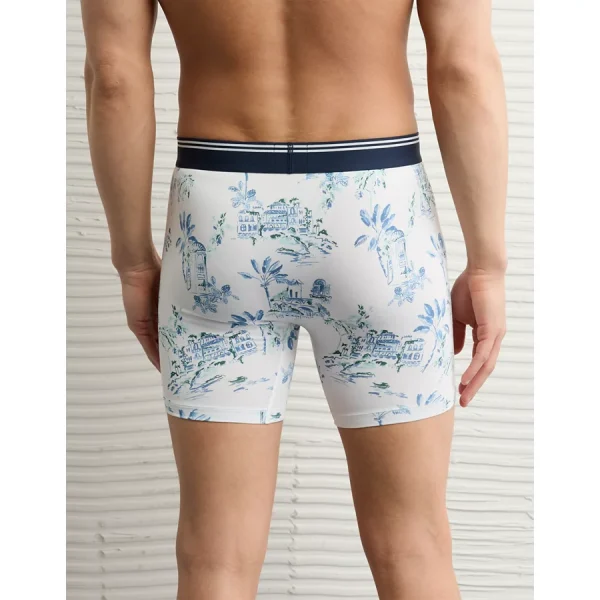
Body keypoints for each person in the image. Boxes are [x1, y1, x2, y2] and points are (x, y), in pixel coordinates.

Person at [81, 0, 507, 598]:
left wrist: (132, 261)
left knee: (215, 557)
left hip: (219, 213)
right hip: (377, 213)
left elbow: (114, 78)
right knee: (414, 543)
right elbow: (462, 67)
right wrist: (487, 264)